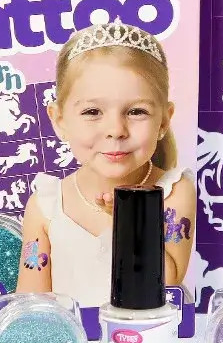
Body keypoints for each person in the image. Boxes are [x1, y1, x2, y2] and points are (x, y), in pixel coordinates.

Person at [14, 20, 196, 308]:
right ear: (59, 121)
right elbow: (30, 303)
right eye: (92, 111)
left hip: (151, 335)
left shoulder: (174, 191)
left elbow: (168, 282)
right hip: (73, 337)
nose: (116, 130)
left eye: (136, 111)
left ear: (163, 120)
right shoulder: (46, 205)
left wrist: (128, 220)